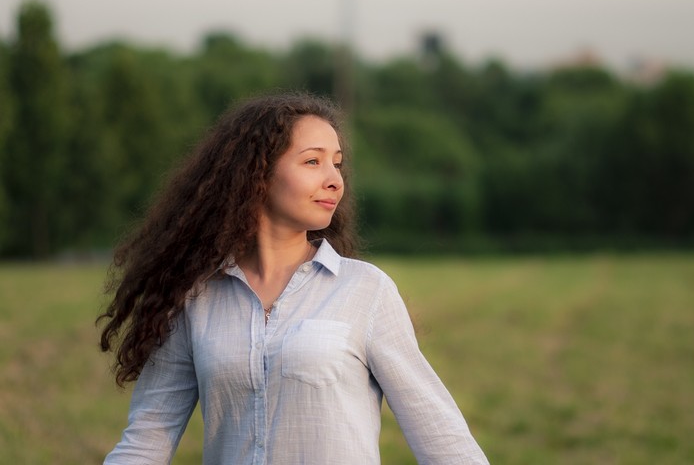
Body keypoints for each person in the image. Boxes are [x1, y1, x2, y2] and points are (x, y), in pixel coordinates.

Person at [98, 92, 489, 464]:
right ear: (257, 174)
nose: (335, 179)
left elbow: (442, 438)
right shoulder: (196, 299)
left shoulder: (366, 290)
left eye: (337, 163)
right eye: (313, 162)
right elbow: (146, 441)